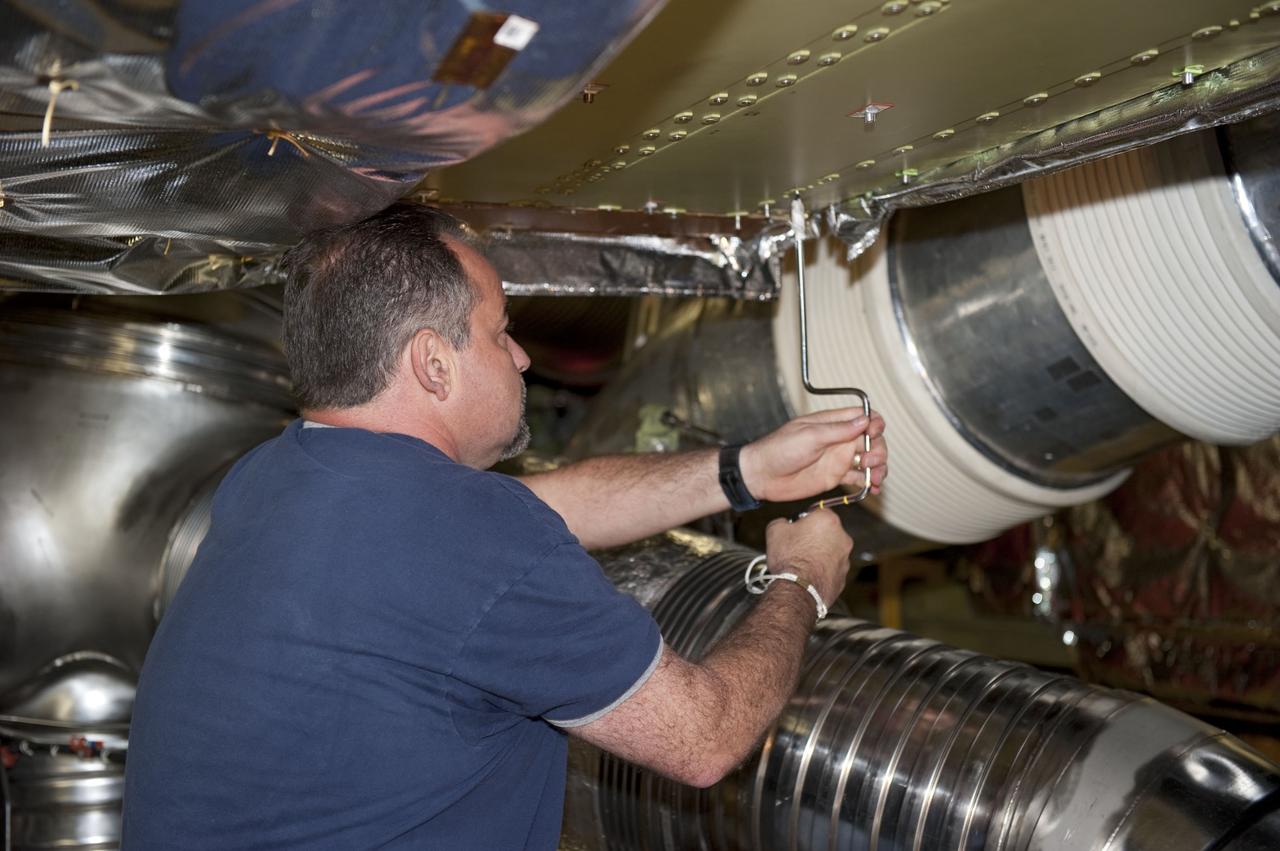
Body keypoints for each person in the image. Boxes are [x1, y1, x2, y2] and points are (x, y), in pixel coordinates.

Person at [121, 204, 888, 849]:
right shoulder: (469, 536)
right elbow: (704, 739)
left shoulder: (273, 475)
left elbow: (555, 508)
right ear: (433, 364)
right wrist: (803, 578)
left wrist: (749, 470)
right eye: (500, 331)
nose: (522, 357)